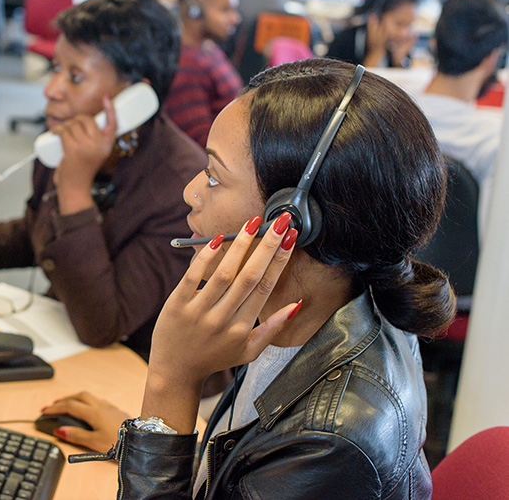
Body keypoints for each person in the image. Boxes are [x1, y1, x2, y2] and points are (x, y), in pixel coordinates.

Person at [42, 58, 455, 499]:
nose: (191, 191)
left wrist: (172, 381)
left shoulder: (331, 440)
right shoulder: (313, 311)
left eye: (215, 177)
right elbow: (250, 461)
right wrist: (158, 441)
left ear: (290, 219)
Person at [0, 0, 207, 362]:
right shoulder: (62, 143)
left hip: (139, 367)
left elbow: (103, 325)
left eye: (75, 77)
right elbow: (33, 233)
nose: (51, 90)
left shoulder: (182, 188)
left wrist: (74, 190)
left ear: (136, 97)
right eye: (54, 69)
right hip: (63, 333)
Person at [417, 0, 508, 233]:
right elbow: (495, 240)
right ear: (492, 57)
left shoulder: (393, 113)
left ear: (436, 43)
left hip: (389, 267)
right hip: (462, 270)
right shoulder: (494, 143)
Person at [164, 0, 243, 146]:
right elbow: (203, 144)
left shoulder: (209, 48)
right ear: (194, 10)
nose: (235, 18)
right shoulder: (186, 66)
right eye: (225, 10)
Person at [327, 0, 418, 68]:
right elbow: (356, 83)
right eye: (399, 24)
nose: (404, 33)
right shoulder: (346, 41)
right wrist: (376, 53)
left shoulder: (396, 46)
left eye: (409, 25)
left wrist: (399, 60)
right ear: (377, 18)